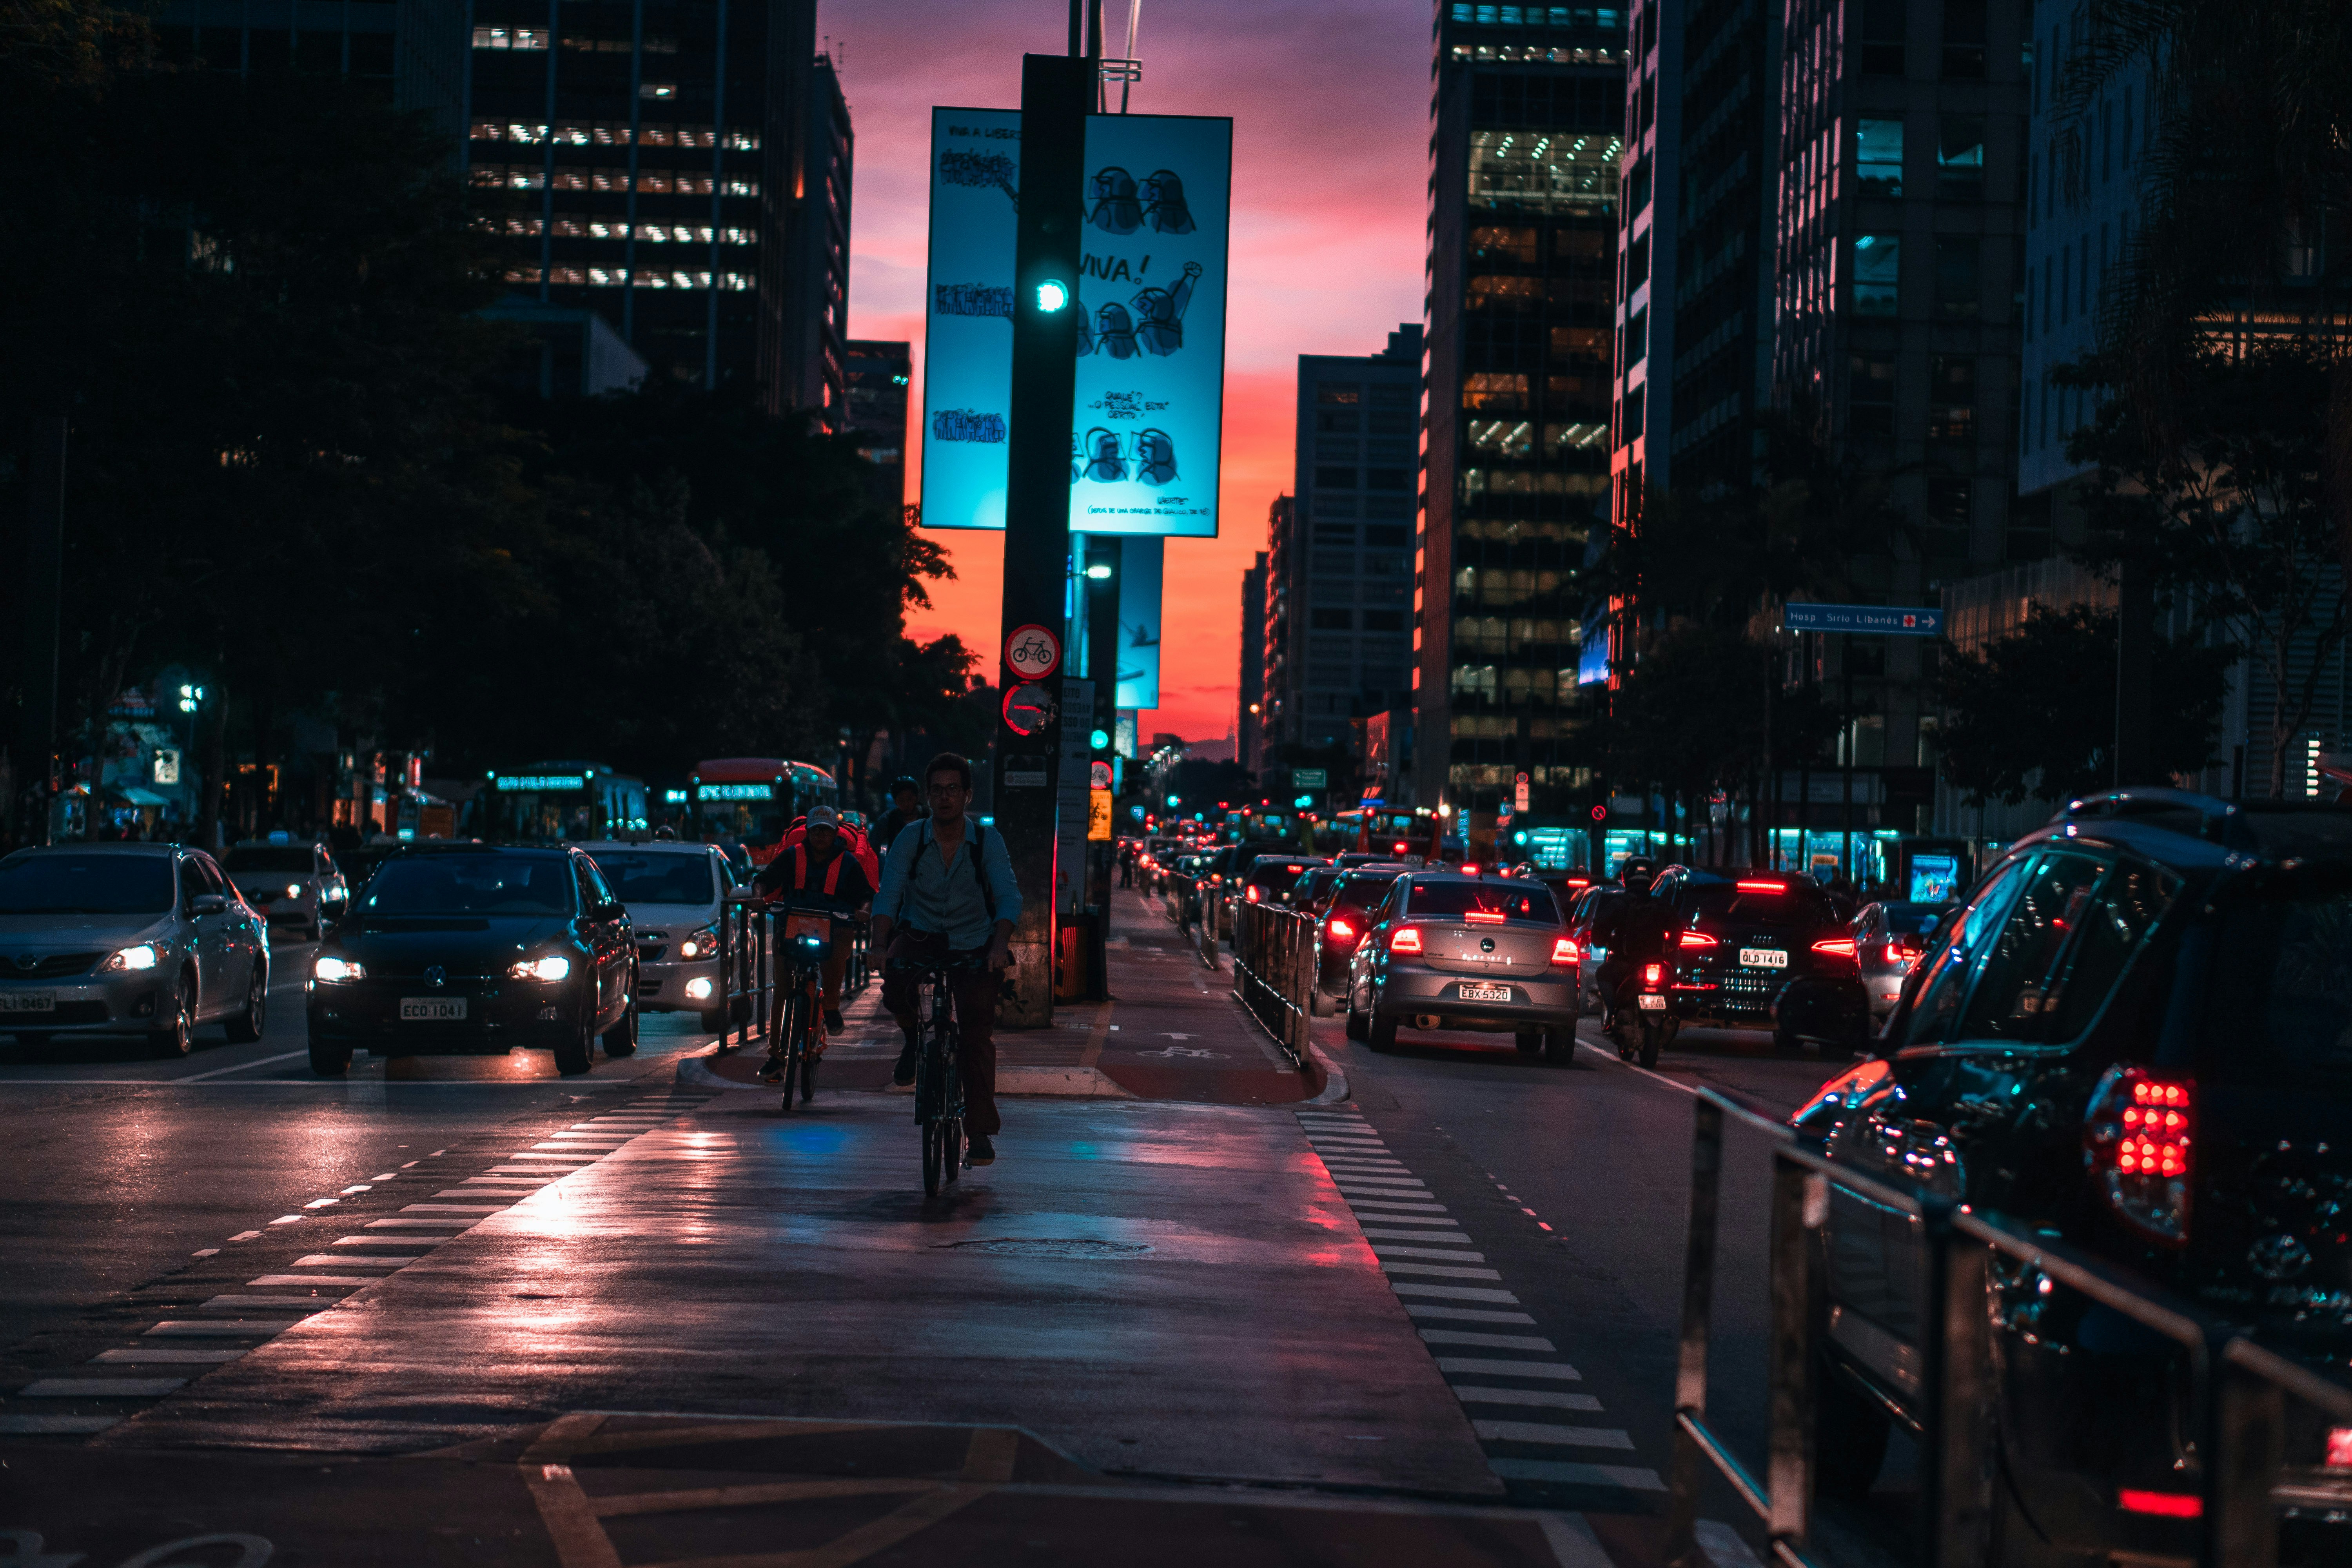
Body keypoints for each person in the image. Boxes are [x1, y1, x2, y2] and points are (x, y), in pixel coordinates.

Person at [870, 752, 1020, 1168]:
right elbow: (889, 893)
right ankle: (914, 1038)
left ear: (967, 795)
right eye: (937, 790)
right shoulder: (911, 838)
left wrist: (997, 947)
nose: (945, 797)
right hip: (920, 935)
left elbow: (1009, 896)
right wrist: (880, 944)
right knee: (896, 987)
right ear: (927, 797)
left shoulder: (988, 841)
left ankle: (980, 1133)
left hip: (974, 944)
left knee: (975, 1036)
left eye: (953, 789)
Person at [753, 805, 872, 1039]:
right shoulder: (792, 856)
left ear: (835, 833)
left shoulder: (848, 863)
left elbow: (866, 895)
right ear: (808, 832)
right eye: (816, 831)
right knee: (782, 987)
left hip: (835, 930)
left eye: (826, 831)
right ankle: (776, 1054)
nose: (821, 836)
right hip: (792, 928)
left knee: (835, 962)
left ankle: (830, 1005)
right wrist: (758, 897)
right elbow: (765, 879)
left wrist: (864, 912)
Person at [875, 776, 925, 864]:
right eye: (902, 800)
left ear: (917, 798)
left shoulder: (928, 817)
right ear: (895, 801)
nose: (906, 804)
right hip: (896, 869)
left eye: (910, 799)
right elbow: (873, 844)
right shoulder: (889, 819)